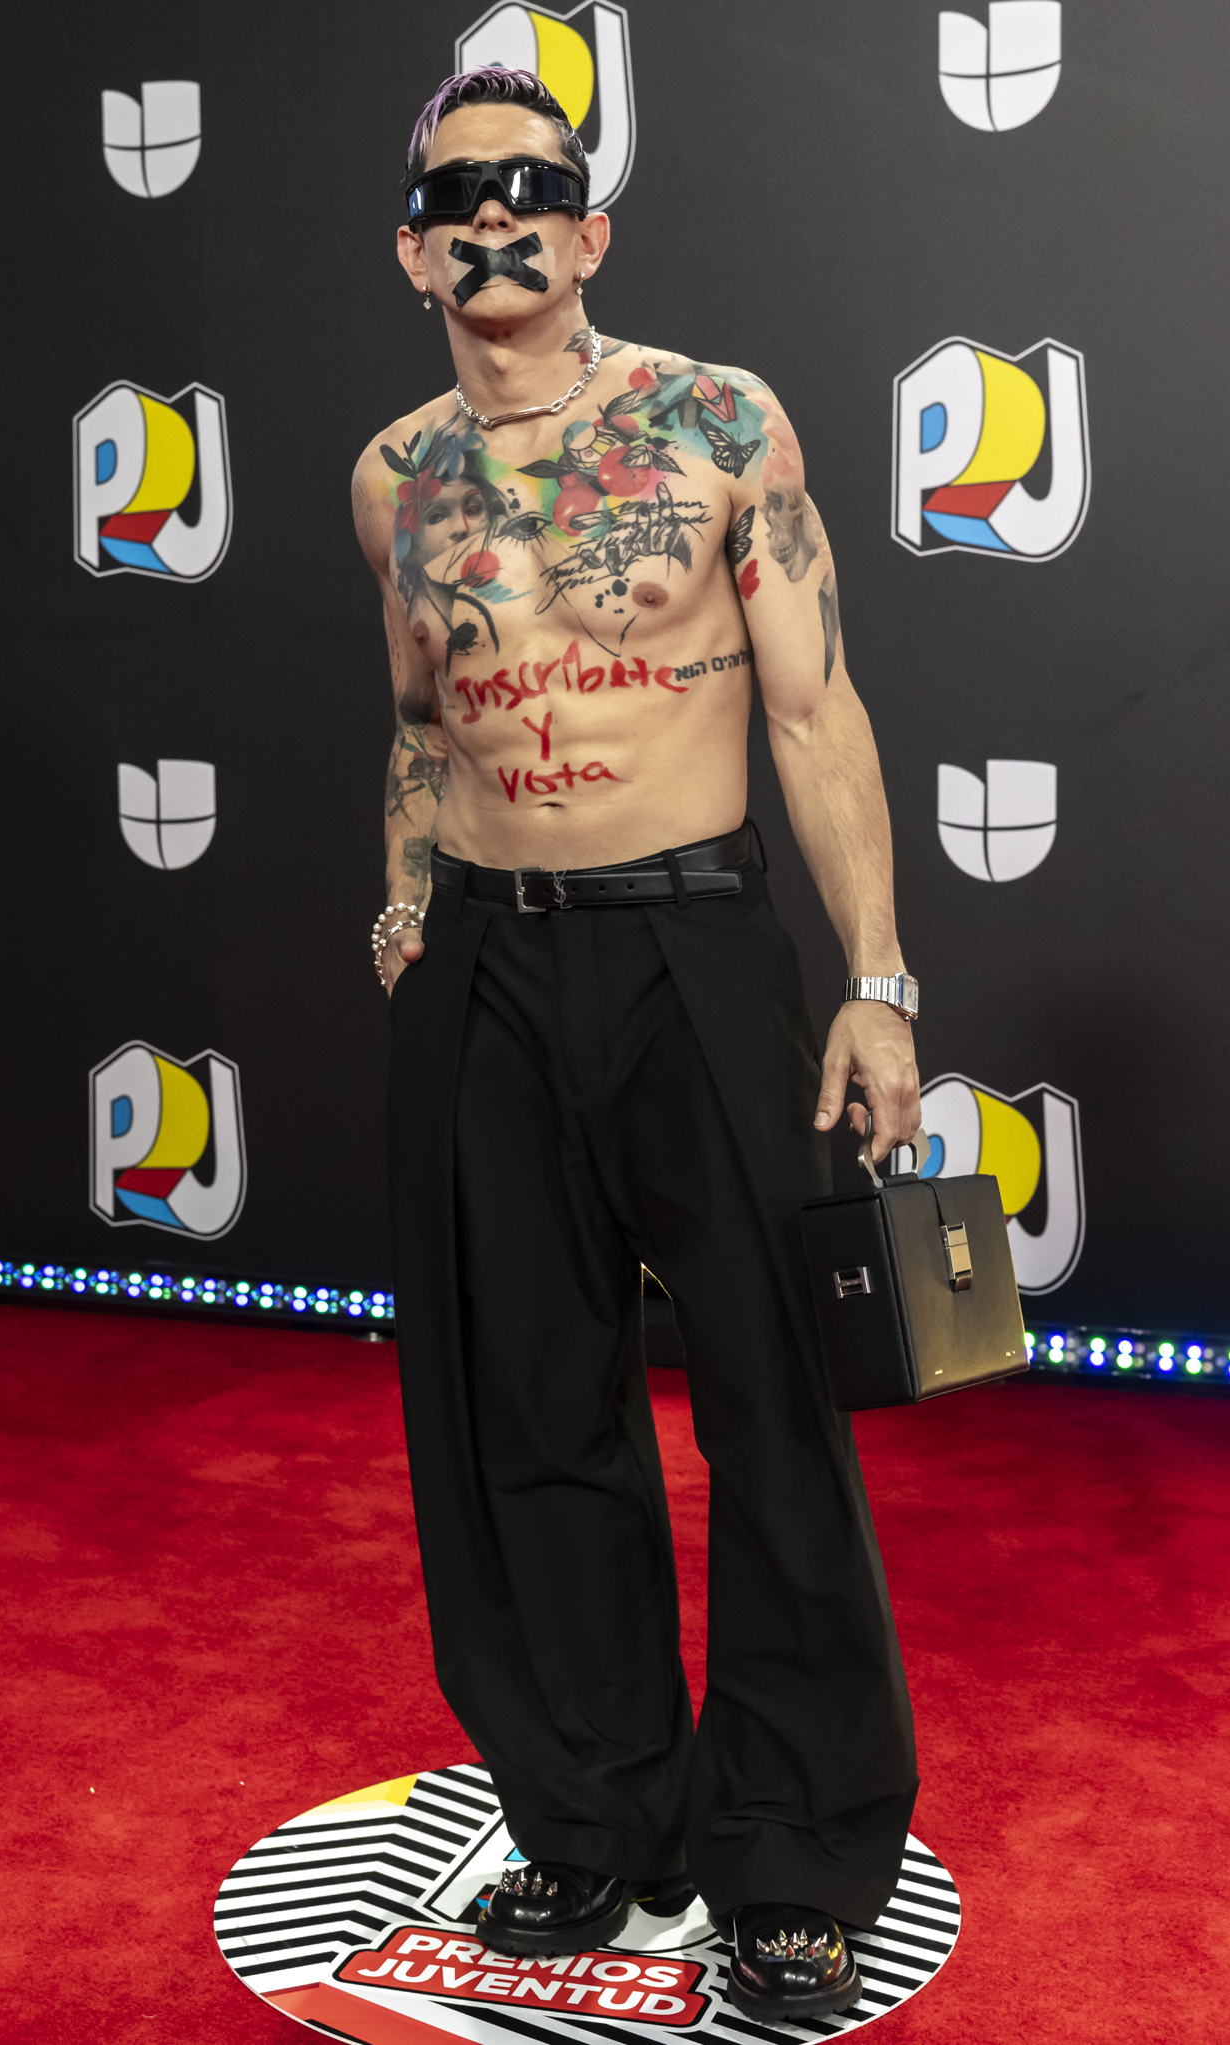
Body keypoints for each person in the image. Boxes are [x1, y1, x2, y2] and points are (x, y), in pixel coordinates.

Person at [352, 67, 923, 2024]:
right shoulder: (389, 474)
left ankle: (787, 1851)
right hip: (484, 982)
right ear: (413, 243)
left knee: (771, 1410)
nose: (494, 217)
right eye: (456, 192)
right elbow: (425, 728)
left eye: (536, 186)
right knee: (529, 1420)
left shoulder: (712, 423)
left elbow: (815, 710)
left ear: (588, 230)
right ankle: (595, 1820)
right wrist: (408, 898)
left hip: (689, 946)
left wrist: (875, 975)